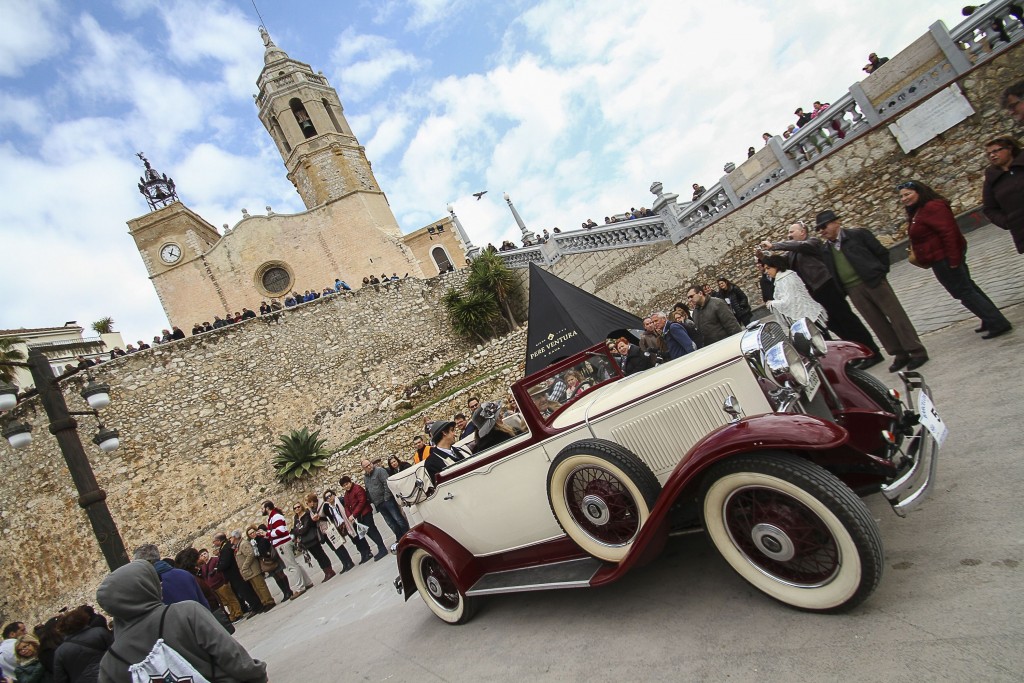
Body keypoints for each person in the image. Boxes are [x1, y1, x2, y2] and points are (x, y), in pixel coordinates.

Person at [96, 561, 268, 683]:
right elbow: (232, 656)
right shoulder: (186, 614)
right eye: (155, 582)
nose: (161, 586)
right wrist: (258, 676)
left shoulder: (110, 663)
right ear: (144, 588)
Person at [814, 209, 928, 372]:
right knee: (876, 322)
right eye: (819, 229)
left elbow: (881, 252)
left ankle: (916, 351)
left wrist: (879, 273)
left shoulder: (857, 235)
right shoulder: (826, 250)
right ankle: (898, 353)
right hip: (853, 289)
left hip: (873, 282)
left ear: (836, 222)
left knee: (896, 316)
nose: (822, 231)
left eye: (824, 226)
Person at [761, 221, 883, 367]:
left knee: (848, 321)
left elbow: (800, 246)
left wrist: (774, 245)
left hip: (827, 287)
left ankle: (872, 351)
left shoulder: (812, 242)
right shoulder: (792, 253)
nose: (789, 235)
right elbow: (779, 263)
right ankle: (855, 352)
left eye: (792, 232)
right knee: (835, 325)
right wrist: (764, 257)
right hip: (815, 294)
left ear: (803, 232)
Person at [901, 180, 1012, 338]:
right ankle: (988, 317)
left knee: (963, 291)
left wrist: (954, 259)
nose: (904, 198)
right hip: (939, 257)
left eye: (908, 194)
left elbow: (949, 233)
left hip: (944, 258)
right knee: (968, 288)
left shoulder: (932, 207)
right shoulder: (919, 210)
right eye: (902, 196)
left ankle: (997, 322)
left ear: (919, 192)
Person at [761, 255, 829, 332]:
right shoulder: (788, 275)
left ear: (776, 266)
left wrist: (772, 303)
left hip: (807, 318)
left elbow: (789, 301)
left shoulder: (784, 279)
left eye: (768, 268)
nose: (766, 271)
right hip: (809, 314)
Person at [982, 136, 1024, 255]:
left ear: (1009, 149)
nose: (992, 155)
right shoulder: (992, 178)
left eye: (996, 151)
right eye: (989, 153)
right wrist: (1007, 221)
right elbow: (989, 208)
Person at [262, 500, 312, 597]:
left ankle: (300, 587)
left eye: (262, 508)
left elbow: (280, 531)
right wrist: (267, 535)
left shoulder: (276, 517)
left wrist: (267, 534)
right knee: (294, 564)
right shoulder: (272, 518)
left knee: (292, 566)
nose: (261, 510)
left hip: (283, 544)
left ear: (267, 508)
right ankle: (307, 582)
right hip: (280, 544)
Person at [52, 606, 112, 683]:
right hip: (110, 674)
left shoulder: (60, 652)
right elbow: (117, 650)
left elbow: (60, 678)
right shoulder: (99, 632)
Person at [339, 476, 389, 561]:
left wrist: (353, 514)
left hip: (365, 513)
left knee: (372, 530)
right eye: (344, 485)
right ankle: (380, 546)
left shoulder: (358, 488)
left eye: (347, 484)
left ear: (350, 482)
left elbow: (362, 502)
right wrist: (349, 516)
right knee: (367, 532)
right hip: (358, 516)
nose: (346, 486)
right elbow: (346, 506)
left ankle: (382, 548)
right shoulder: (347, 494)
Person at [213, 532, 262, 617]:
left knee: (245, 591)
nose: (213, 543)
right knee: (244, 590)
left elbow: (226, 562)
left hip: (235, 573)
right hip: (235, 573)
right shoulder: (227, 546)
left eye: (214, 541)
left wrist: (218, 567)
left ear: (218, 540)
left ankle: (256, 606)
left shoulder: (226, 548)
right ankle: (255, 605)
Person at [306, 492, 355, 573]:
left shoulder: (324, 505)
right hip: (323, 531)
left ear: (312, 501)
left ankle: (349, 562)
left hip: (330, 528)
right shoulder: (312, 511)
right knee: (334, 548)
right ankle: (344, 563)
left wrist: (320, 518)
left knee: (339, 546)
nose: (307, 504)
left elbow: (330, 516)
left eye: (308, 502)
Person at [361, 459, 410, 540]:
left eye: (369, 464)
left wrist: (386, 497)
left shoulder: (380, 471)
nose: (369, 467)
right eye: (366, 466)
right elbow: (368, 489)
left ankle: (407, 534)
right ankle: (399, 537)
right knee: (390, 522)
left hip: (387, 500)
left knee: (398, 518)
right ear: (364, 469)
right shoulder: (366, 478)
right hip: (378, 503)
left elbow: (386, 483)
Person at [230, 530, 277, 611]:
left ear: (235, 537)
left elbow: (250, 554)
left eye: (231, 537)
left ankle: (269, 601)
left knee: (261, 586)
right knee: (256, 588)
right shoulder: (238, 545)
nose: (230, 539)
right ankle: (264, 602)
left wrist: (245, 566)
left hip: (252, 569)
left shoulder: (244, 544)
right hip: (248, 571)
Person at [291, 501, 336, 582]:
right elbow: (294, 529)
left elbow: (305, 528)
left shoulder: (307, 514)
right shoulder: (296, 518)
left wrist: (298, 530)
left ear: (301, 507)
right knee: (316, 557)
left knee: (321, 554)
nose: (297, 509)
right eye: (295, 508)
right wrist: (298, 531)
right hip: (305, 541)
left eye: (298, 507)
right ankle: (325, 572)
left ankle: (330, 570)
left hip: (312, 538)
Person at [247, 525, 293, 601]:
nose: (252, 534)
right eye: (250, 534)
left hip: (272, 558)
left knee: (280, 573)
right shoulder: (253, 543)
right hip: (266, 562)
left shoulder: (262, 538)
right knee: (275, 576)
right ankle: (285, 592)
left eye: (253, 532)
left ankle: (288, 591)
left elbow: (268, 546)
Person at [198, 548, 243, 622]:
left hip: (221, 583)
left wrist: (224, 581)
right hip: (213, 587)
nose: (204, 556)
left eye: (205, 554)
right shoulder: (203, 567)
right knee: (225, 602)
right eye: (202, 555)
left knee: (231, 599)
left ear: (208, 553)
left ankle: (238, 613)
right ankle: (232, 615)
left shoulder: (215, 560)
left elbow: (221, 571)